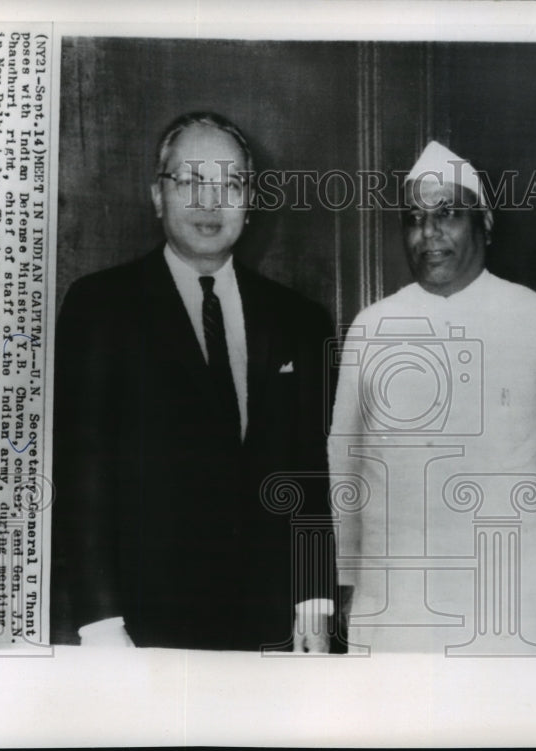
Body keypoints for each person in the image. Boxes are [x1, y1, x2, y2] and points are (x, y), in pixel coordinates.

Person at [50, 112, 336, 652]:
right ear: (158, 196)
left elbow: (309, 474)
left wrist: (315, 606)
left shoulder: (299, 320)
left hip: (270, 628)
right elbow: (82, 475)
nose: (211, 203)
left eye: (230, 184)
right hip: (140, 629)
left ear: (250, 202)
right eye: (192, 182)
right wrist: (101, 624)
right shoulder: (101, 307)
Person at [328, 141, 536, 655]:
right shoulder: (371, 327)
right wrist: (347, 573)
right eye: (414, 218)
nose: (428, 234)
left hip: (512, 594)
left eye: (447, 215)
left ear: (484, 223)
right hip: (397, 598)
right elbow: (345, 464)